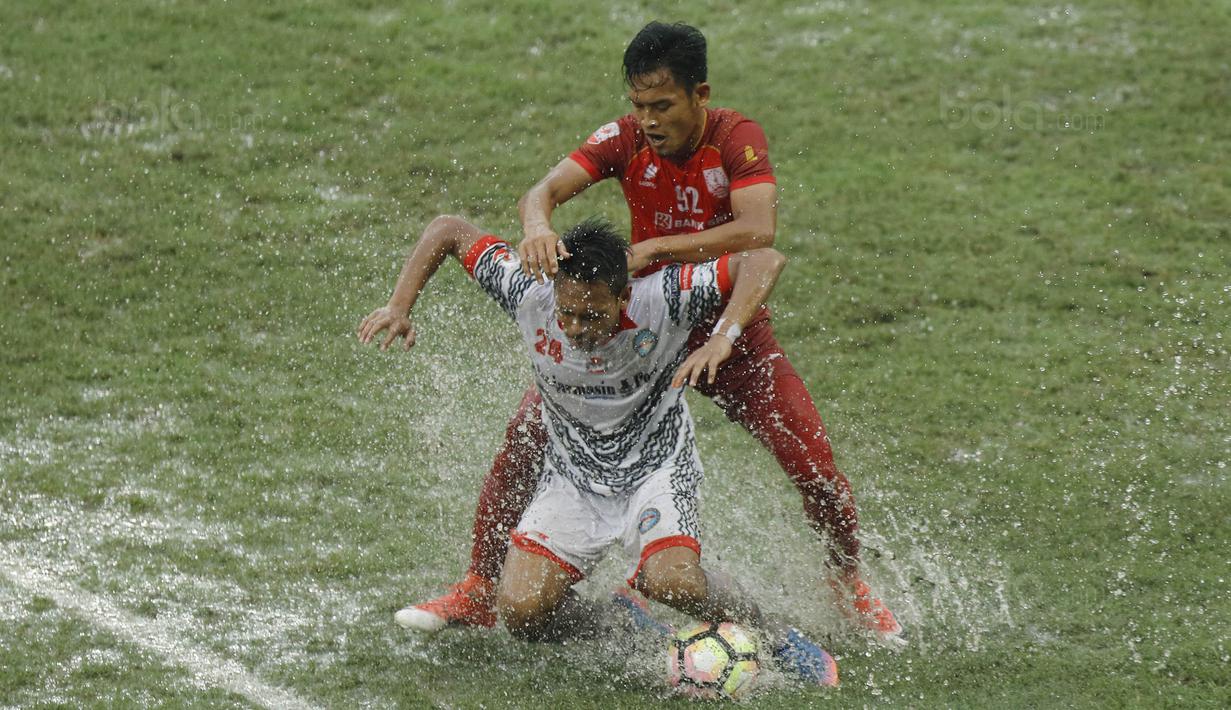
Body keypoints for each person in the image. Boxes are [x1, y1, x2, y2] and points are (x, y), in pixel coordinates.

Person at [400, 21, 901, 644]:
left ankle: (848, 583)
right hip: (626, 325)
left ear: (700, 94)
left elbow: (759, 233)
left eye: (661, 105)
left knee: (815, 468)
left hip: (720, 323)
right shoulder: (625, 139)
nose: (649, 120)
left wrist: (666, 249)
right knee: (527, 437)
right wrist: (535, 223)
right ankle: (480, 585)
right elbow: (543, 192)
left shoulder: (736, 139)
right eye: (639, 106)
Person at [358, 215, 838, 686]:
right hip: (572, 480)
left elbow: (763, 258)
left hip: (656, 472)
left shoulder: (666, 296)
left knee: (673, 582)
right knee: (522, 613)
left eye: (592, 315)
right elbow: (448, 229)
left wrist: (722, 337)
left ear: (624, 295)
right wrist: (400, 307)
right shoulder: (528, 292)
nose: (574, 328)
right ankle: (624, 625)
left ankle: (778, 637)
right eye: (566, 312)